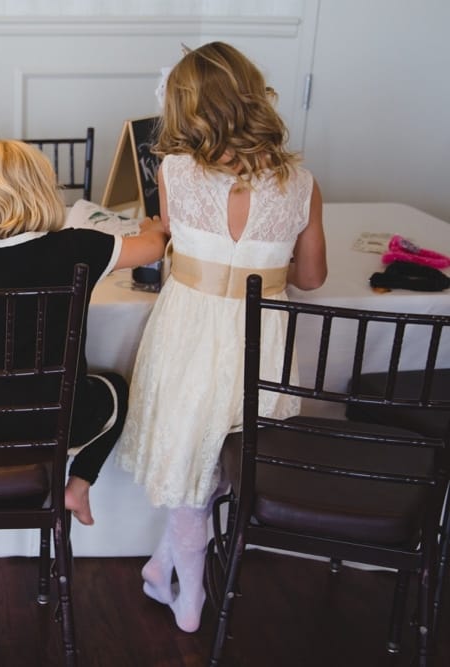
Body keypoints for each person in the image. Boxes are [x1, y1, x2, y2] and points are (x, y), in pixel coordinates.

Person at [117, 41, 328, 633]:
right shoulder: (303, 184)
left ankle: (189, 602)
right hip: (256, 343)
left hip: (189, 333)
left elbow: (162, 245)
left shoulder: (174, 172)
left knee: (191, 465)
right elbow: (311, 279)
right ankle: (165, 572)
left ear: (188, 108)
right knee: (209, 463)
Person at [0, 139, 169, 527]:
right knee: (118, 387)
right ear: (42, 189)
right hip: (62, 418)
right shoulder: (81, 246)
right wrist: (153, 226)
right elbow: (152, 248)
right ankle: (79, 484)